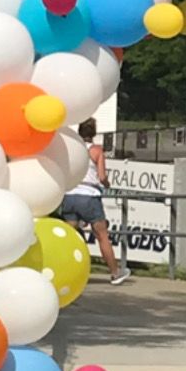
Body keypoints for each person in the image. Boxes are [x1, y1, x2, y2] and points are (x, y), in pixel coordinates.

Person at [61, 121, 131, 285]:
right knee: (102, 235)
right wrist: (107, 184)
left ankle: (64, 271)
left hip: (70, 195)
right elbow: (101, 177)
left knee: (69, 237)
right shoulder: (97, 150)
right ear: (94, 133)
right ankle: (115, 273)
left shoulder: (72, 150)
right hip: (89, 196)